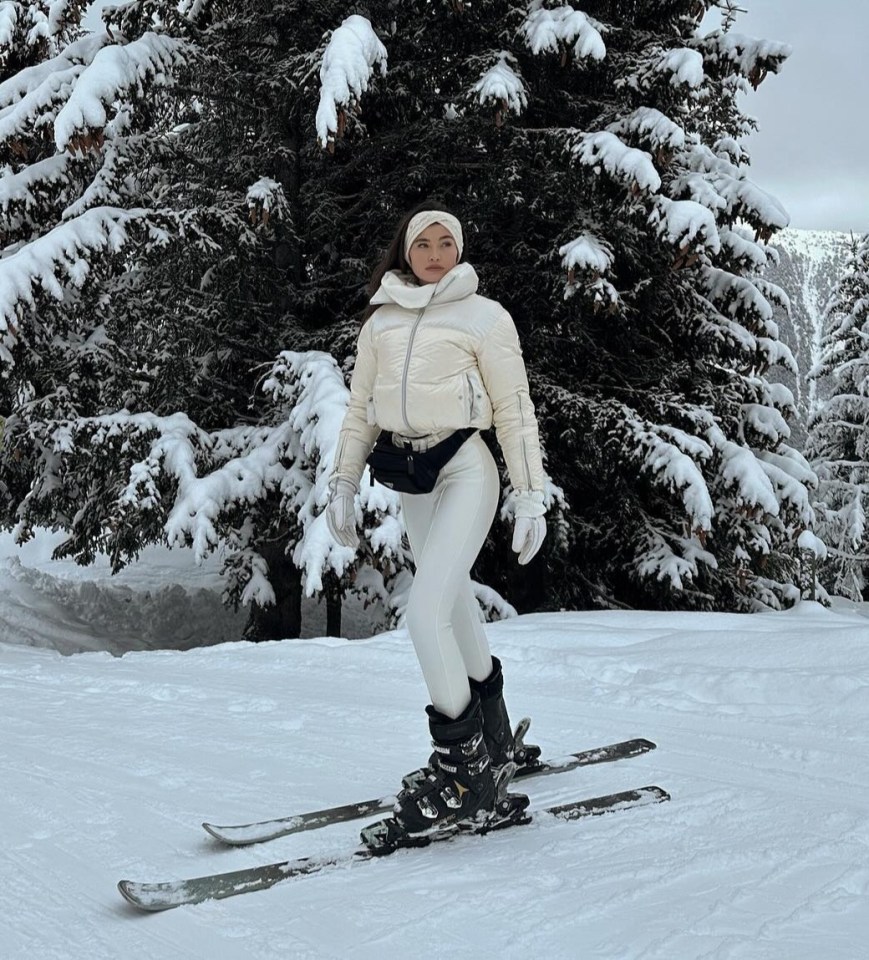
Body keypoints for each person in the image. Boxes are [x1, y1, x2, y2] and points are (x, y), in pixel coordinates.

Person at [325, 201, 548, 842]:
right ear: (404, 250)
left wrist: (529, 496)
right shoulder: (382, 321)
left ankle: (465, 774)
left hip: (465, 468)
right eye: (421, 242)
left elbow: (514, 408)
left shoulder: (484, 317)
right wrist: (343, 483)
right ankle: (496, 739)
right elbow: (362, 408)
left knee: (424, 612)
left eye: (444, 242)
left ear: (458, 252)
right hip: (413, 476)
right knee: (448, 608)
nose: (432, 253)